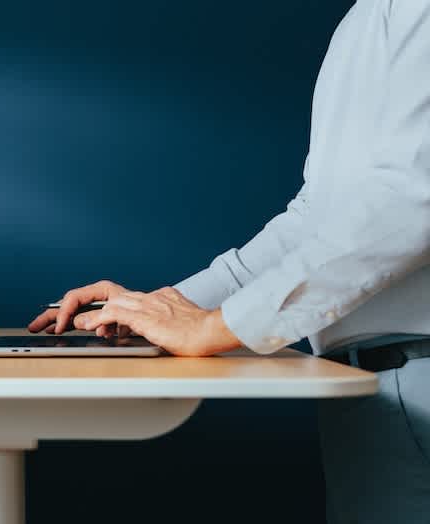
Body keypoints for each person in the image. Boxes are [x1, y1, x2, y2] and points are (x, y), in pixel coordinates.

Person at [29, 1, 430, 522]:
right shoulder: (368, 17)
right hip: (381, 388)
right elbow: (316, 217)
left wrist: (218, 327)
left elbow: (409, 204)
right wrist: (164, 310)